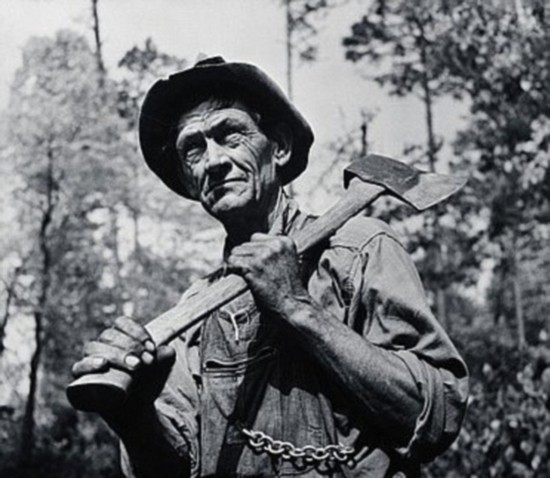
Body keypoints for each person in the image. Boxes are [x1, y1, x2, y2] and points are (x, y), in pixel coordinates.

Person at [71, 56, 469, 477]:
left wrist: (297, 306)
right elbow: (171, 470)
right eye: (194, 148)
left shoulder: (357, 249)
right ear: (188, 179)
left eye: (230, 135)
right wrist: (133, 415)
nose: (214, 161)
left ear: (279, 147)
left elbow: (437, 416)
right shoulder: (195, 313)